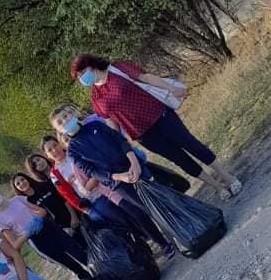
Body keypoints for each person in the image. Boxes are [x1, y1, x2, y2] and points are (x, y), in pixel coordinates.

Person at [70, 54, 241, 199]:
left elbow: (146, 78)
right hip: (142, 134)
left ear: (91, 65)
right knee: (179, 159)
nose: (82, 78)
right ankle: (217, 186)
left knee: (191, 144)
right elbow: (111, 122)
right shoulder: (95, 97)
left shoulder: (117, 68)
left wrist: (171, 88)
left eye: (83, 72)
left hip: (159, 114)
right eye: (79, 77)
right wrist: (118, 144)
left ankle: (227, 177)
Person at [49, 110, 176, 258]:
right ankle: (164, 243)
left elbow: (119, 140)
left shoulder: (95, 125)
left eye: (66, 116)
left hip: (134, 167)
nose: (65, 121)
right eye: (60, 122)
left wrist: (134, 162)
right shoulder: (73, 152)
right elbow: (92, 173)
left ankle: (180, 226)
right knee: (141, 212)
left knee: (161, 197)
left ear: (73, 114)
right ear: (59, 130)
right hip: (116, 185)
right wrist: (118, 177)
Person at [40, 133, 159, 239]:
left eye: (55, 145)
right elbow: (68, 195)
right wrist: (87, 210)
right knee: (121, 219)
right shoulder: (55, 173)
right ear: (47, 155)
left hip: (108, 185)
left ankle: (152, 234)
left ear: (60, 144)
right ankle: (141, 239)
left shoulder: (75, 153)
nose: (54, 150)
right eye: (50, 150)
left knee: (134, 210)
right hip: (94, 198)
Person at [0, 185, 90, 279]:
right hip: (37, 241)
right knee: (68, 263)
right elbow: (15, 245)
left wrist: (37, 219)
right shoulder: (0, 220)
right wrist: (27, 232)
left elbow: (42, 211)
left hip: (48, 227)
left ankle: (98, 269)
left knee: (76, 251)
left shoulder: (17, 199)